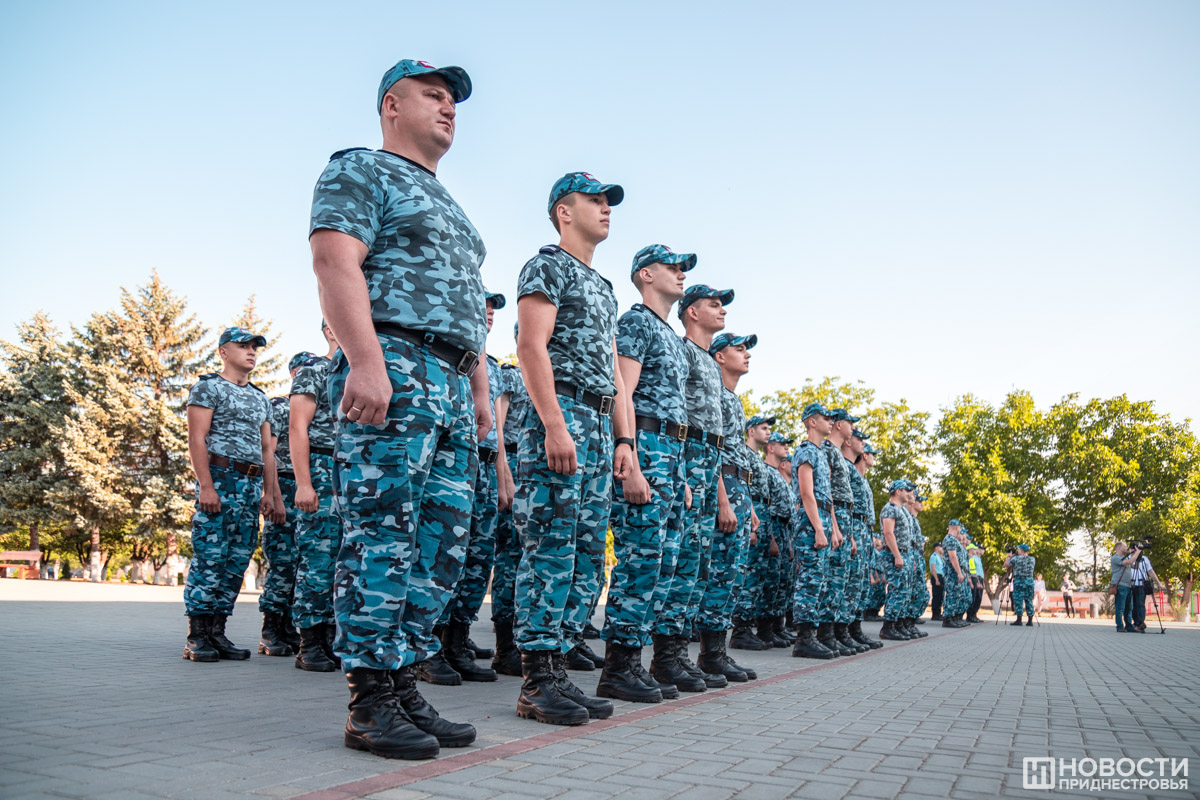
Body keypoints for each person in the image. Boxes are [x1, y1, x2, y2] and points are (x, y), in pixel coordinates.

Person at [311, 58, 492, 759]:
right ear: (392, 104)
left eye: (454, 101)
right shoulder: (361, 169)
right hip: (395, 363)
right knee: (383, 531)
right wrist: (364, 361)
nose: (449, 109)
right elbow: (335, 262)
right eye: (433, 95)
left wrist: (479, 393)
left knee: (440, 543)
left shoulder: (453, 207)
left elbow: (469, 313)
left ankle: (403, 682)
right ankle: (369, 700)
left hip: (451, 380)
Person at [513, 171, 636, 725]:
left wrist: (624, 440)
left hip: (598, 422)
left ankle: (559, 668)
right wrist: (553, 425)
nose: (606, 208)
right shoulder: (547, 266)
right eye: (595, 200)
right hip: (561, 414)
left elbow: (615, 376)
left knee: (586, 555)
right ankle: (537, 681)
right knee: (550, 549)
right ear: (564, 211)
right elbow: (530, 347)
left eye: (609, 201)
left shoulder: (604, 287)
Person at [602, 243, 697, 700]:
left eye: (683, 268)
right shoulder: (635, 323)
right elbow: (623, 392)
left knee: (664, 563)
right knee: (640, 560)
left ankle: (642, 661)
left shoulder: (672, 338)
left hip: (672, 455)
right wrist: (631, 459)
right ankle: (618, 667)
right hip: (648, 446)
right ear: (645, 274)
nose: (681, 274)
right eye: (671, 266)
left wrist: (681, 477)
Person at [426, 291, 513, 684]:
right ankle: (427, 646)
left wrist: (502, 474)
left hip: (486, 463)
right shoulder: (450, 351)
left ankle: (456, 642)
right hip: (454, 458)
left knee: (477, 558)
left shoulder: (491, 368)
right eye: (484, 304)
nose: (490, 312)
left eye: (494, 307)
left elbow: (499, 429)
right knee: (443, 552)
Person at [183, 326, 274, 663]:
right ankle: (197, 636)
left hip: (250, 486)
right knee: (210, 557)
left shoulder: (260, 398)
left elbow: (267, 449)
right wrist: (206, 486)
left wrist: (270, 493)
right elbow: (197, 438)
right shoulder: (208, 388)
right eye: (243, 346)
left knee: (237, 560)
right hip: (220, 479)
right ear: (223, 352)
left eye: (255, 347)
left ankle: (217, 632)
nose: (251, 351)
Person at [677, 285, 735, 689]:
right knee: (679, 563)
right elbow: (673, 416)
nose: (721, 310)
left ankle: (685, 655)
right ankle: (667, 657)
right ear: (692, 312)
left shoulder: (710, 367)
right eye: (713, 304)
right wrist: (680, 474)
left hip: (708, 463)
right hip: (686, 459)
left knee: (698, 568)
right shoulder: (682, 352)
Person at [695, 333, 760, 682]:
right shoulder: (715, 395)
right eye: (739, 349)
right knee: (719, 572)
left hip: (739, 488)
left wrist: (748, 505)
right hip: (724, 487)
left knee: (733, 575)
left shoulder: (733, 399)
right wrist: (723, 500)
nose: (746, 355)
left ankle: (718, 650)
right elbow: (714, 451)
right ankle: (709, 654)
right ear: (719, 356)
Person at [257, 352, 317, 657]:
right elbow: (269, 454)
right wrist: (275, 497)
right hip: (286, 484)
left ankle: (290, 629)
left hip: (308, 486)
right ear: (294, 373)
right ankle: (271, 631)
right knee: (283, 563)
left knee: (303, 564)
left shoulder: (318, 404)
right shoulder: (280, 406)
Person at [290, 322, 342, 673]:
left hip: (352, 474)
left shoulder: (360, 372)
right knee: (318, 560)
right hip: (321, 469)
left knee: (343, 564)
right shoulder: (314, 370)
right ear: (329, 329)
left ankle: (331, 638)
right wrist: (304, 483)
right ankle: (309, 643)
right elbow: (298, 427)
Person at [490, 324, 530, 677]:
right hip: (514, 464)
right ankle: (505, 647)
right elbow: (498, 429)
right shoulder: (512, 376)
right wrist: (504, 475)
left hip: (535, 468)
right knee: (510, 558)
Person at [790, 403, 839, 658]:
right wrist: (819, 529)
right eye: (825, 418)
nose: (830, 422)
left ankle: (813, 634)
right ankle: (804, 639)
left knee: (819, 579)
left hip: (823, 517)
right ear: (811, 422)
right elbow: (807, 494)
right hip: (811, 520)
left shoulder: (820, 453)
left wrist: (833, 528)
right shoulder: (806, 451)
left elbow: (826, 497)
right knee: (809, 579)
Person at [730, 414, 776, 652]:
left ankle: (747, 627)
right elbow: (744, 488)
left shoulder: (756, 457)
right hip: (753, 510)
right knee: (747, 575)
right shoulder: (745, 454)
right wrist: (750, 520)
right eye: (764, 428)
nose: (768, 432)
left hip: (762, 513)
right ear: (751, 431)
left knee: (757, 576)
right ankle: (740, 630)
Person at [822, 409, 866, 656]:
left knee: (842, 580)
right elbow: (825, 490)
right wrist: (835, 526)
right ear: (839, 425)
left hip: (844, 518)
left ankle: (839, 632)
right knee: (833, 580)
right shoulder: (827, 451)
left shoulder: (836, 453)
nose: (853, 428)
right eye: (850, 423)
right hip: (836, 516)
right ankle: (826, 634)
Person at [841, 427, 881, 650]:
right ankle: (843, 630)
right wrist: (851, 534)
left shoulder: (862, 478)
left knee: (861, 583)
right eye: (871, 452)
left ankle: (854, 629)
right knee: (851, 582)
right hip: (854, 525)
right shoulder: (848, 469)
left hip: (864, 528)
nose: (871, 454)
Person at [878, 480, 913, 640]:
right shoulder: (890, 508)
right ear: (898, 491)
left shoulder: (900, 510)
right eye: (906, 490)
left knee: (903, 591)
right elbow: (888, 533)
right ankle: (888, 627)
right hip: (893, 555)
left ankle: (897, 624)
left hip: (903, 553)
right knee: (897, 590)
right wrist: (897, 556)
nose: (908, 493)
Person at [939, 521, 971, 628]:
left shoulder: (953, 540)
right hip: (952, 570)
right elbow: (953, 557)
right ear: (957, 527)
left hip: (956, 570)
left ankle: (954, 618)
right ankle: (948, 619)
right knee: (952, 594)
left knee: (957, 595)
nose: (960, 530)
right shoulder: (950, 539)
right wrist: (959, 572)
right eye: (960, 528)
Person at [1109, 541, 1141, 632]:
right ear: (1119, 548)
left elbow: (1134, 566)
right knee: (1120, 607)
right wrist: (1138, 552)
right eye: (1125, 546)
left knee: (1129, 607)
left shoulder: (1125, 557)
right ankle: (1120, 626)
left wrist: (1135, 555)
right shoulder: (1115, 558)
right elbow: (1129, 561)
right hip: (1120, 585)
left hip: (1128, 585)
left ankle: (1129, 625)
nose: (1127, 548)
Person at [1130, 551, 1162, 632]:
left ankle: (1140, 624)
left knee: (1140, 604)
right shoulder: (1128, 558)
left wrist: (1158, 582)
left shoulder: (1144, 559)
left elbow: (1150, 571)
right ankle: (1135, 623)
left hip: (1141, 584)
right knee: (1132, 605)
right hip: (1131, 584)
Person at [1005, 544, 1036, 626]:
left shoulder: (1016, 558)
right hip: (1029, 581)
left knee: (1018, 600)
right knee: (1029, 600)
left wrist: (1009, 556)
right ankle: (1030, 621)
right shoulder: (1032, 559)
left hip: (1019, 581)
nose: (1017, 550)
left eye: (1018, 549)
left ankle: (1019, 620)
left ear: (1022, 550)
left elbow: (1006, 564)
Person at [966, 543, 985, 623]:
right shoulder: (972, 558)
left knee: (978, 598)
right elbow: (972, 571)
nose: (983, 551)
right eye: (981, 549)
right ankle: (970, 615)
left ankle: (974, 615)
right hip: (974, 579)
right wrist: (976, 581)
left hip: (979, 579)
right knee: (974, 597)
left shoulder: (978, 558)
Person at [928, 543, 946, 621]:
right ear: (936, 548)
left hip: (941, 577)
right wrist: (936, 579)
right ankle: (935, 614)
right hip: (937, 576)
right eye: (940, 547)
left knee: (941, 596)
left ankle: (938, 613)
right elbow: (933, 569)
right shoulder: (934, 556)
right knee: (936, 596)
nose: (942, 549)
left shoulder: (940, 557)